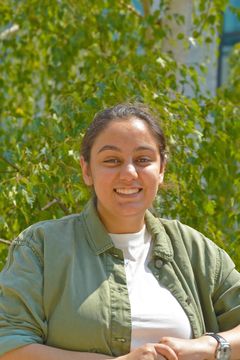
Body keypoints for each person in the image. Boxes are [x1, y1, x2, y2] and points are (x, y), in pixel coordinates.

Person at [0, 103, 239, 360]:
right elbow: (10, 347)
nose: (128, 173)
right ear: (86, 170)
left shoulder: (196, 250)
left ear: (161, 169)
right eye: (112, 160)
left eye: (143, 159)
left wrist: (209, 347)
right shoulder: (40, 247)